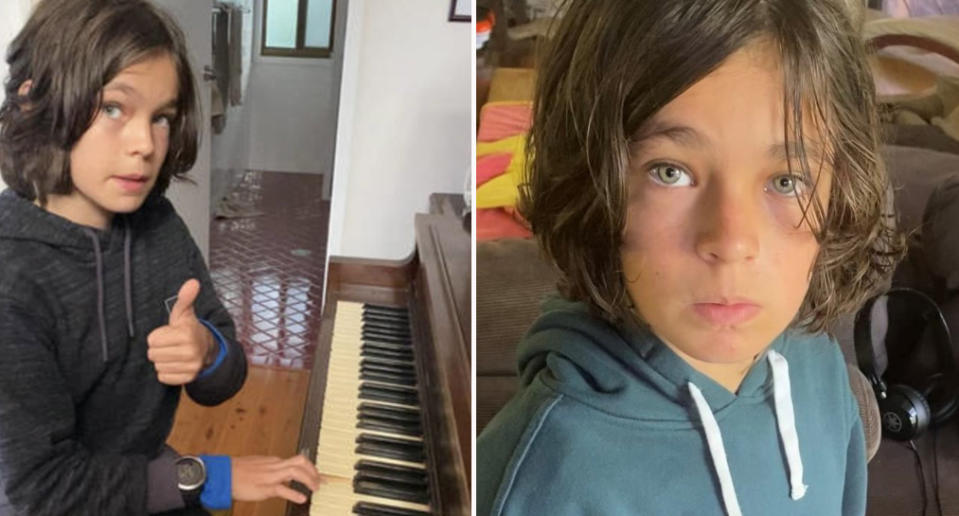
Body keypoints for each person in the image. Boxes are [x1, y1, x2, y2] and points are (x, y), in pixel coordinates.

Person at [476, 0, 905, 514]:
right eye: (670, 172)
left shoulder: (820, 369)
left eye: (785, 180)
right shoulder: (545, 474)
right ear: (591, 182)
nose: (731, 241)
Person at [0, 0, 321, 514]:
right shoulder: (12, 280)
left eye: (162, 117)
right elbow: (38, 492)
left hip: (145, 483)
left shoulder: (160, 225)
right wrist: (210, 475)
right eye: (113, 108)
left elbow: (226, 374)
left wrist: (206, 351)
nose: (145, 144)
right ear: (35, 100)